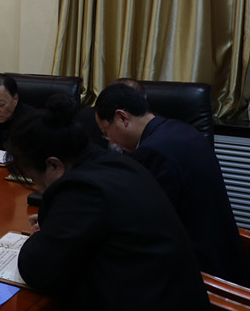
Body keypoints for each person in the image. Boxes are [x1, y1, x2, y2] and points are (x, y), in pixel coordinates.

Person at [6, 96, 212, 311]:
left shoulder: (83, 190)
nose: (37, 187)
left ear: (54, 165)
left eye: (34, 178)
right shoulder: (111, 162)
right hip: (173, 306)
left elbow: (37, 270)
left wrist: (41, 235)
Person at [95, 83, 250, 286]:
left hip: (202, 274)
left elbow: (148, 225)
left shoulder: (152, 152)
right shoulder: (180, 129)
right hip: (226, 256)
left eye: (106, 132)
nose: (111, 141)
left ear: (122, 118)